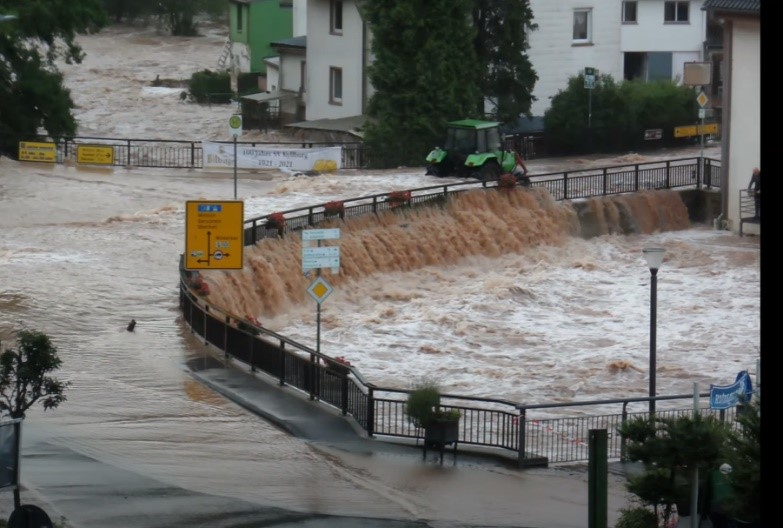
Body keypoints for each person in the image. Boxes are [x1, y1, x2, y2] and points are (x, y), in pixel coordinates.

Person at [703, 463, 734, 528]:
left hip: (718, 508)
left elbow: (707, 494)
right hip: (727, 509)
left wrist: (704, 513)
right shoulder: (731, 475)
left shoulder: (712, 475)